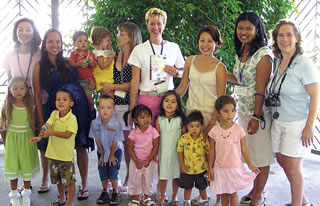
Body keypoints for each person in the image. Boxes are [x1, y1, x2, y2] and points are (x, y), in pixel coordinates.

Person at [32, 28, 93, 201]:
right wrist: (42, 121)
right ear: (44, 44)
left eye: (57, 41)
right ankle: (65, 187)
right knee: (60, 148)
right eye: (50, 41)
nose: (55, 45)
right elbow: (37, 94)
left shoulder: (67, 62)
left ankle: (85, 184)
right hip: (56, 109)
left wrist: (91, 88)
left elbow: (86, 74)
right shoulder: (39, 67)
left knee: (81, 145)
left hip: (78, 106)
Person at [268, 20, 319, 206]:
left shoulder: (304, 63)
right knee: (281, 159)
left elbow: (315, 96)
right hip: (279, 120)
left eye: (289, 35)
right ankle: (303, 200)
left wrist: (309, 126)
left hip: (296, 123)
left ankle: (297, 203)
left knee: (293, 165)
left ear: (297, 38)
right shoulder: (279, 60)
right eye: (280, 35)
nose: (285, 39)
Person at [227, 11, 274, 206]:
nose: (243, 32)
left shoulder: (263, 55)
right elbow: (239, 79)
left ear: (257, 30)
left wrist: (256, 116)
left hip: (258, 114)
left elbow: (260, 90)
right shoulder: (243, 51)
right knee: (253, 154)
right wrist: (217, 70)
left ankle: (257, 197)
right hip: (244, 111)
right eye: (240, 28)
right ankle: (256, 190)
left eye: (248, 28)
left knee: (261, 158)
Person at [2, 18, 49, 193]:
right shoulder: (9, 55)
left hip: (40, 100)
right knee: (23, 143)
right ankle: (24, 180)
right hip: (20, 103)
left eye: (28, 29)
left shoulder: (39, 53)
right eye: (20, 29)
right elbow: (9, 83)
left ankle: (44, 179)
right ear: (15, 33)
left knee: (41, 141)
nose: (24, 33)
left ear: (34, 32)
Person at [101, 22, 142, 191]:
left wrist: (112, 87)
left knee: (128, 144)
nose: (117, 36)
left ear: (131, 37)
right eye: (118, 33)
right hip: (115, 105)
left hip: (130, 104)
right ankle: (116, 177)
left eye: (121, 34)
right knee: (115, 142)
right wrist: (108, 90)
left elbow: (134, 84)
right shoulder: (116, 54)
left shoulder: (136, 56)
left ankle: (129, 178)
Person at [128, 7, 185, 126]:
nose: (155, 27)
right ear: (147, 25)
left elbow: (185, 72)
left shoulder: (173, 47)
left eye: (159, 23)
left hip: (168, 102)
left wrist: (176, 73)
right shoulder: (139, 50)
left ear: (164, 24)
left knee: (167, 141)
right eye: (152, 24)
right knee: (145, 141)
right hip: (146, 100)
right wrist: (132, 107)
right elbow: (134, 81)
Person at [208, 95, 260, 206]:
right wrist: (210, 168)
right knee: (224, 194)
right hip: (220, 168)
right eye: (225, 111)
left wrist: (250, 164)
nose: (230, 114)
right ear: (218, 112)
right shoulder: (214, 131)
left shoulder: (238, 129)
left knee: (233, 193)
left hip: (235, 167)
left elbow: (244, 148)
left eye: (232, 111)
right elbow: (212, 150)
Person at [30, 89, 78, 206]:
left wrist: (51, 132)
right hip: (53, 155)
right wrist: (41, 135)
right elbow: (47, 125)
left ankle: (69, 202)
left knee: (69, 181)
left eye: (65, 100)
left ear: (71, 103)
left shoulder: (72, 118)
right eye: (58, 99)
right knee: (58, 180)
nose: (61, 102)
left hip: (66, 156)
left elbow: (67, 135)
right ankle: (62, 198)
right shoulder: (54, 114)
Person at [176, 25, 226, 136]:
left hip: (210, 117)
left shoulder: (220, 68)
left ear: (216, 43)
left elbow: (221, 100)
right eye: (202, 40)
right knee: (190, 152)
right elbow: (182, 86)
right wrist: (168, 101)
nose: (205, 45)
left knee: (208, 152)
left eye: (210, 41)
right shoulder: (190, 60)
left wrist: (212, 124)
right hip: (191, 115)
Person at [0, 77, 39, 206]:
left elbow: (33, 124)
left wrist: (34, 139)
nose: (18, 91)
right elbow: (2, 126)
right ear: (10, 90)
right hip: (12, 139)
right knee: (13, 167)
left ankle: (26, 193)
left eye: (22, 88)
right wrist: (6, 142)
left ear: (26, 90)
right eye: (15, 88)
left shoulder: (30, 105)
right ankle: (14, 195)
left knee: (26, 166)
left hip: (27, 139)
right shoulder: (7, 106)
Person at [89, 95, 124, 205]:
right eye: (102, 107)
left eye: (108, 108)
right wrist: (103, 154)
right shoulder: (94, 124)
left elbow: (115, 141)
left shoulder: (117, 124)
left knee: (113, 171)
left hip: (115, 151)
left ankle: (115, 192)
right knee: (103, 170)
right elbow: (97, 140)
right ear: (98, 109)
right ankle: (105, 191)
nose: (105, 110)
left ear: (114, 110)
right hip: (101, 151)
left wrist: (111, 154)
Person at [155, 90, 187, 205]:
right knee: (163, 176)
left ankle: (174, 197)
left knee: (176, 176)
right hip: (164, 153)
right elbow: (157, 139)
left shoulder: (180, 120)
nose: (169, 104)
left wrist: (184, 155)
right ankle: (162, 197)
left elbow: (184, 138)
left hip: (177, 154)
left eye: (173, 102)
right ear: (162, 103)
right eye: (167, 101)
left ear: (178, 105)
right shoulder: (159, 120)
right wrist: (156, 153)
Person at [127, 105, 159, 206]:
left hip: (148, 162)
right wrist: (136, 161)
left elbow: (155, 147)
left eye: (148, 116)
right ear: (135, 120)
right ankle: (136, 199)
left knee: (148, 180)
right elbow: (130, 149)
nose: (146, 119)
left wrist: (149, 160)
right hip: (136, 161)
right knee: (135, 179)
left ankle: (146, 198)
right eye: (142, 117)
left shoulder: (153, 131)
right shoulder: (133, 133)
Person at [177, 111, 210, 206]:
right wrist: (181, 165)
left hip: (201, 169)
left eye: (197, 126)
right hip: (187, 170)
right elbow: (180, 152)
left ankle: (204, 202)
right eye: (191, 126)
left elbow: (208, 153)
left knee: (202, 188)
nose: (194, 129)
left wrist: (210, 167)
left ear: (202, 127)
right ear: (187, 126)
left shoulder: (204, 139)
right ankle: (186, 202)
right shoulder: (183, 138)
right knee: (188, 188)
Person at [68, 31, 97, 118]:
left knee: (88, 97)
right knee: (78, 99)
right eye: (80, 41)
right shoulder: (73, 54)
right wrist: (79, 64)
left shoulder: (90, 54)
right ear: (74, 43)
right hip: (77, 81)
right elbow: (70, 63)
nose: (83, 43)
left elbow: (93, 66)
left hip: (87, 81)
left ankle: (92, 110)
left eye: (85, 41)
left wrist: (91, 61)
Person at [91, 27, 116, 93]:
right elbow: (102, 66)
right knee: (110, 98)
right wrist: (110, 59)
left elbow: (111, 53)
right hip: (103, 82)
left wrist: (110, 47)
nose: (109, 42)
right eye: (107, 41)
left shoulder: (102, 51)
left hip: (106, 80)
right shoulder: (99, 54)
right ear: (99, 41)